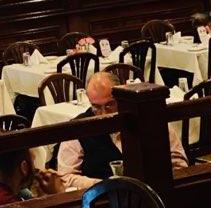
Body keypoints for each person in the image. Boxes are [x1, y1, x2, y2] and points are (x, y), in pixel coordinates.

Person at [57, 72, 187, 190]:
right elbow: (66, 177)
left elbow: (178, 160)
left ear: (121, 96)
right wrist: (103, 185)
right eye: (96, 107)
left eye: (109, 105)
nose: (103, 114)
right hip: (102, 199)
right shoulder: (79, 127)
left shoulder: (147, 118)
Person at [0, 147, 64, 204]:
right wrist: (59, 195)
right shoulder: (15, 203)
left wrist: (41, 197)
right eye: (33, 162)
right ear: (24, 167)